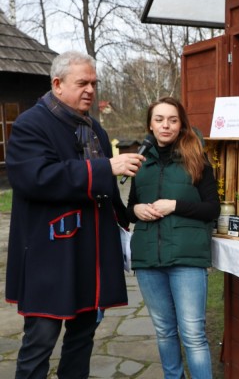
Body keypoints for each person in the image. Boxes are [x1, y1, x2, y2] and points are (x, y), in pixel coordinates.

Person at [5, 50, 146, 378]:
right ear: (57, 84)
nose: (90, 90)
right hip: (49, 256)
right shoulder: (30, 124)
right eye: (82, 83)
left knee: (83, 337)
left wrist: (127, 214)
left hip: (90, 254)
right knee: (40, 341)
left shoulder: (94, 128)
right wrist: (106, 167)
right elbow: (35, 178)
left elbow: (105, 188)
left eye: (94, 83)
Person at [126, 96, 220, 378]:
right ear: (150, 125)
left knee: (192, 333)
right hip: (148, 260)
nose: (165, 125)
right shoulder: (140, 162)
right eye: (159, 119)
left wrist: (175, 206)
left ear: (181, 125)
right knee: (165, 331)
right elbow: (130, 208)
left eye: (172, 120)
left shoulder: (196, 158)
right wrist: (137, 209)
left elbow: (212, 209)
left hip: (186, 259)